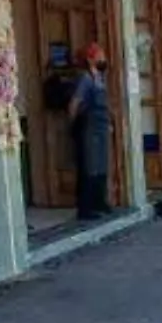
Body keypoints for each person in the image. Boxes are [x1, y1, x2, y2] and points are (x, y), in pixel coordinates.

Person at [68, 43, 113, 221]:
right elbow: (74, 103)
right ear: (90, 58)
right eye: (100, 55)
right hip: (88, 127)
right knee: (88, 166)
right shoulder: (85, 79)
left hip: (100, 126)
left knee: (101, 165)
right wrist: (74, 125)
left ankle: (99, 201)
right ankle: (85, 208)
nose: (103, 59)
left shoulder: (100, 78)